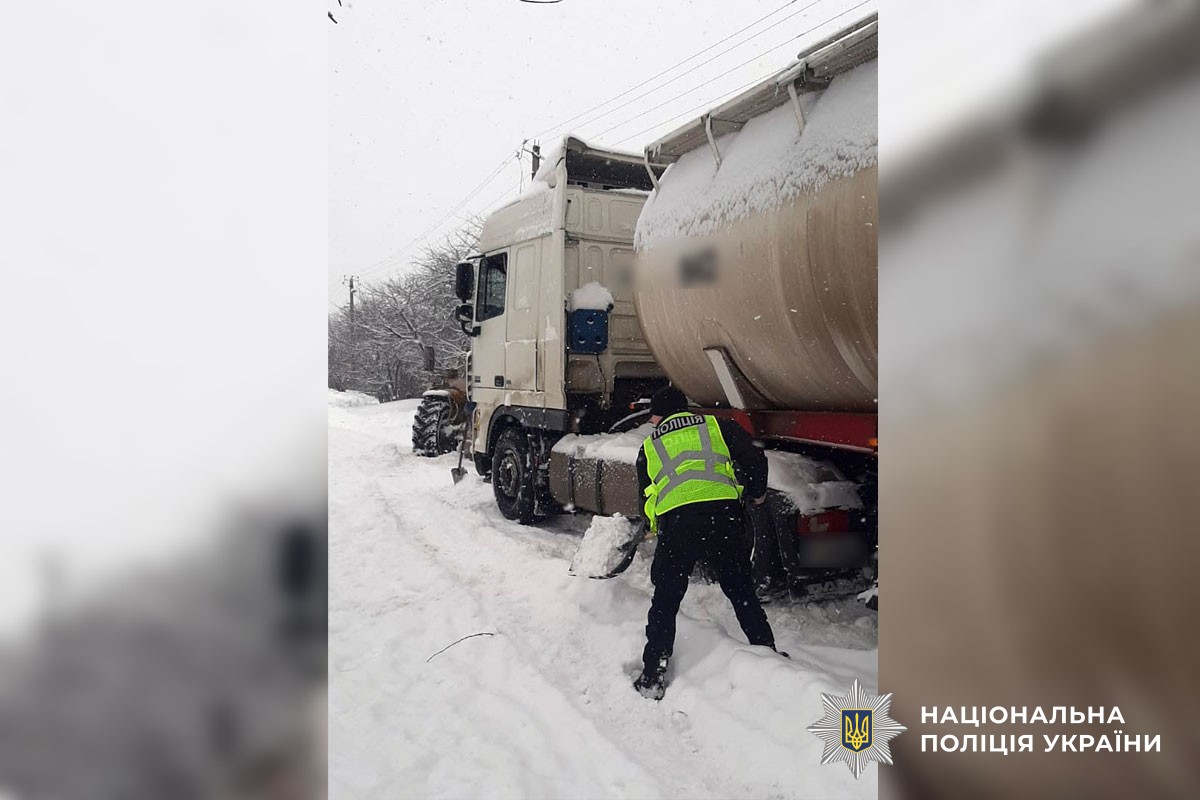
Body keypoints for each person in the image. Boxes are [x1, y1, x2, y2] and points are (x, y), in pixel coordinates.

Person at [633, 385, 783, 700]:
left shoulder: (649, 447)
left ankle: (652, 675)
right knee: (740, 589)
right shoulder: (718, 426)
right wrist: (757, 493)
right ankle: (767, 654)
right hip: (724, 516)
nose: (651, 423)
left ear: (660, 415)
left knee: (666, 597)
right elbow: (754, 456)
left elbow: (647, 496)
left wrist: (653, 524)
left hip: (679, 524)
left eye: (653, 418)